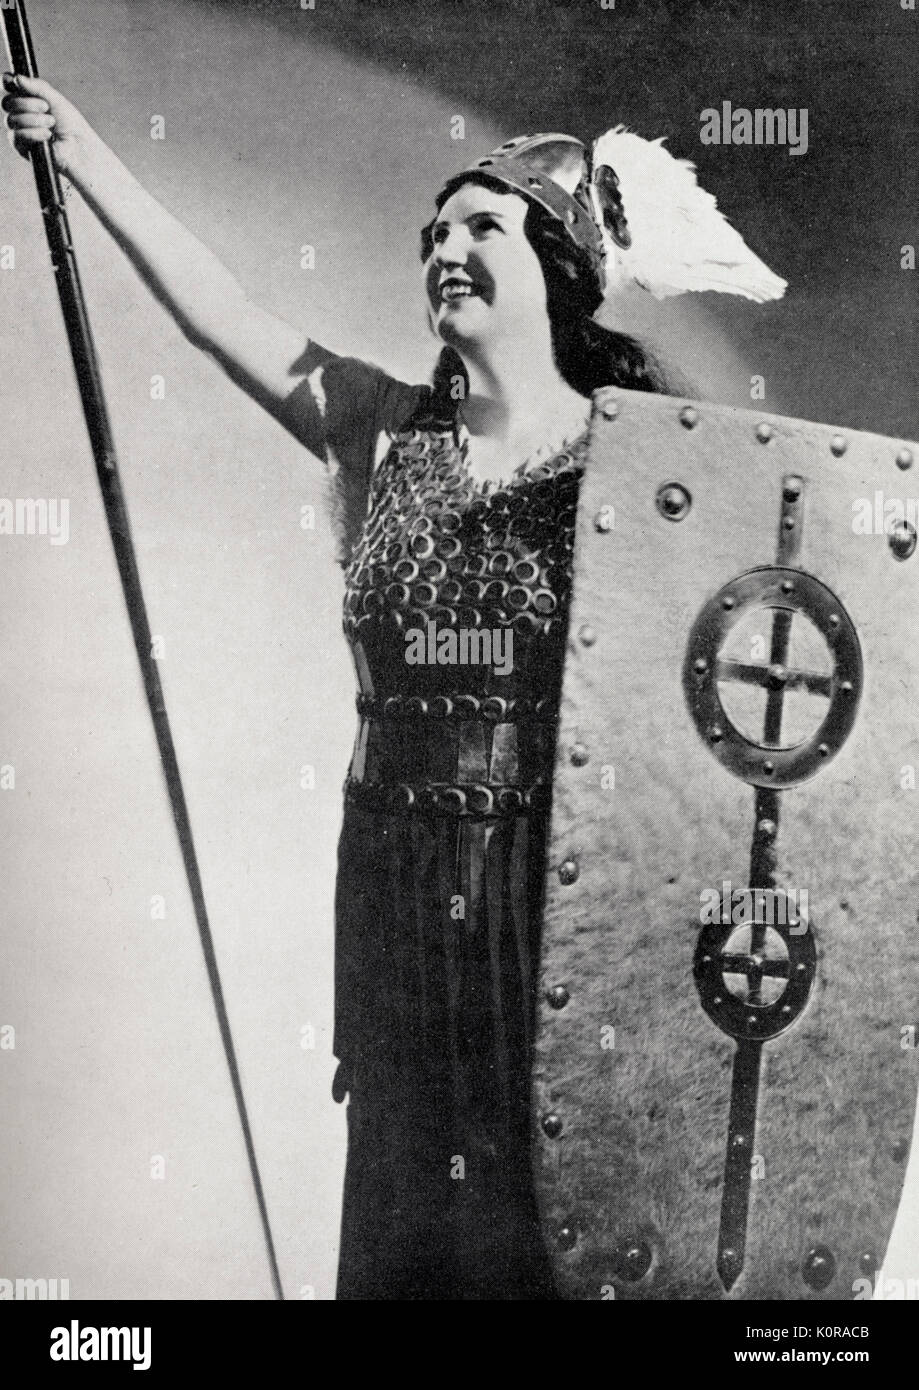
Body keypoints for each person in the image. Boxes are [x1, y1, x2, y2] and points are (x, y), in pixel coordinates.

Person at [4, 77, 784, 1299]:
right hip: (397, 890)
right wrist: (82, 147)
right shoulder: (378, 427)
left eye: (482, 226)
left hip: (562, 897)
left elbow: (731, 702)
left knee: (553, 1220)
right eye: (434, 235)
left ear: (557, 266)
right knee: (410, 1216)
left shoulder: (646, 464)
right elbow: (224, 316)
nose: (446, 250)